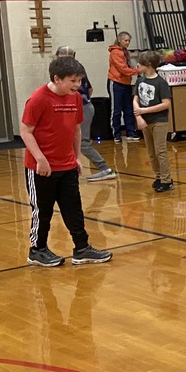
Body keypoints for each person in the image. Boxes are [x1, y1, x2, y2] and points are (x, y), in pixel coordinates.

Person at [20, 56, 113, 267]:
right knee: (42, 211)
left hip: (67, 165)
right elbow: (25, 131)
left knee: (74, 209)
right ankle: (37, 250)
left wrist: (76, 157)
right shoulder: (38, 99)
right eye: (73, 81)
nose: (77, 85)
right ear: (57, 79)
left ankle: (82, 248)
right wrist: (40, 159)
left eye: (79, 80)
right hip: (41, 168)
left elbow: (76, 129)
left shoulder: (76, 98)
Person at [55, 46, 117, 182]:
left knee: (82, 142)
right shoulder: (77, 69)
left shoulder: (72, 72)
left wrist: (81, 102)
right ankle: (69, 171)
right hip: (81, 106)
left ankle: (105, 169)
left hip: (82, 107)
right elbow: (90, 89)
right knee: (69, 140)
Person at [133, 50, 175, 193]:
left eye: (141, 63)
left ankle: (166, 180)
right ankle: (158, 176)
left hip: (159, 121)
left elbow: (166, 104)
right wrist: (139, 116)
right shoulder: (140, 81)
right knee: (151, 152)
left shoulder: (161, 83)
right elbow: (135, 99)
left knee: (160, 151)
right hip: (145, 121)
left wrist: (144, 111)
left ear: (149, 64)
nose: (137, 65)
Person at [107, 31, 142, 143]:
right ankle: (116, 134)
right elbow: (123, 69)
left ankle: (130, 132)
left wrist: (135, 69)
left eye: (129, 41)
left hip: (126, 83)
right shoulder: (115, 52)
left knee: (128, 108)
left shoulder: (125, 52)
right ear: (119, 40)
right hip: (116, 82)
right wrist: (137, 71)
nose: (127, 42)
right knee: (116, 110)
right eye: (125, 40)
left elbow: (128, 66)